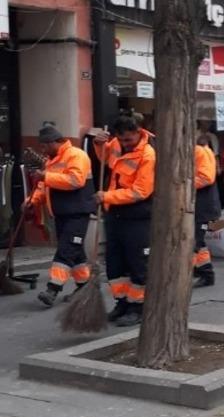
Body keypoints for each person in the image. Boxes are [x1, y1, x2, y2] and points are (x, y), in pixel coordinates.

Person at [92, 115, 156, 327]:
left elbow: (141, 191)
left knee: (138, 264)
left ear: (139, 131)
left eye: (129, 140)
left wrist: (107, 197)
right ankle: (122, 302)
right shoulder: (117, 143)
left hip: (137, 216)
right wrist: (98, 144)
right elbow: (105, 159)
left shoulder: (148, 154)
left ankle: (138, 306)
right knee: (115, 263)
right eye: (122, 140)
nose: (125, 144)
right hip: (116, 215)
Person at [30, 126, 97, 306]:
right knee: (75, 253)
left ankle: (53, 288)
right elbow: (44, 186)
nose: (43, 151)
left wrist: (46, 176)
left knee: (66, 250)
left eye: (44, 146)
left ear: (54, 142)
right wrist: (33, 201)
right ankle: (85, 287)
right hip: (62, 213)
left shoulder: (76, 155)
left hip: (77, 212)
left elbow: (75, 181)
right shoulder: (52, 160)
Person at [192, 136, 221, 288]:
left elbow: (205, 178)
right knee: (196, 240)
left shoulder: (198, 152)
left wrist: (184, 185)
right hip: (205, 206)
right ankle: (200, 270)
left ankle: (206, 273)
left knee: (196, 240)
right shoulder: (206, 152)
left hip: (202, 207)